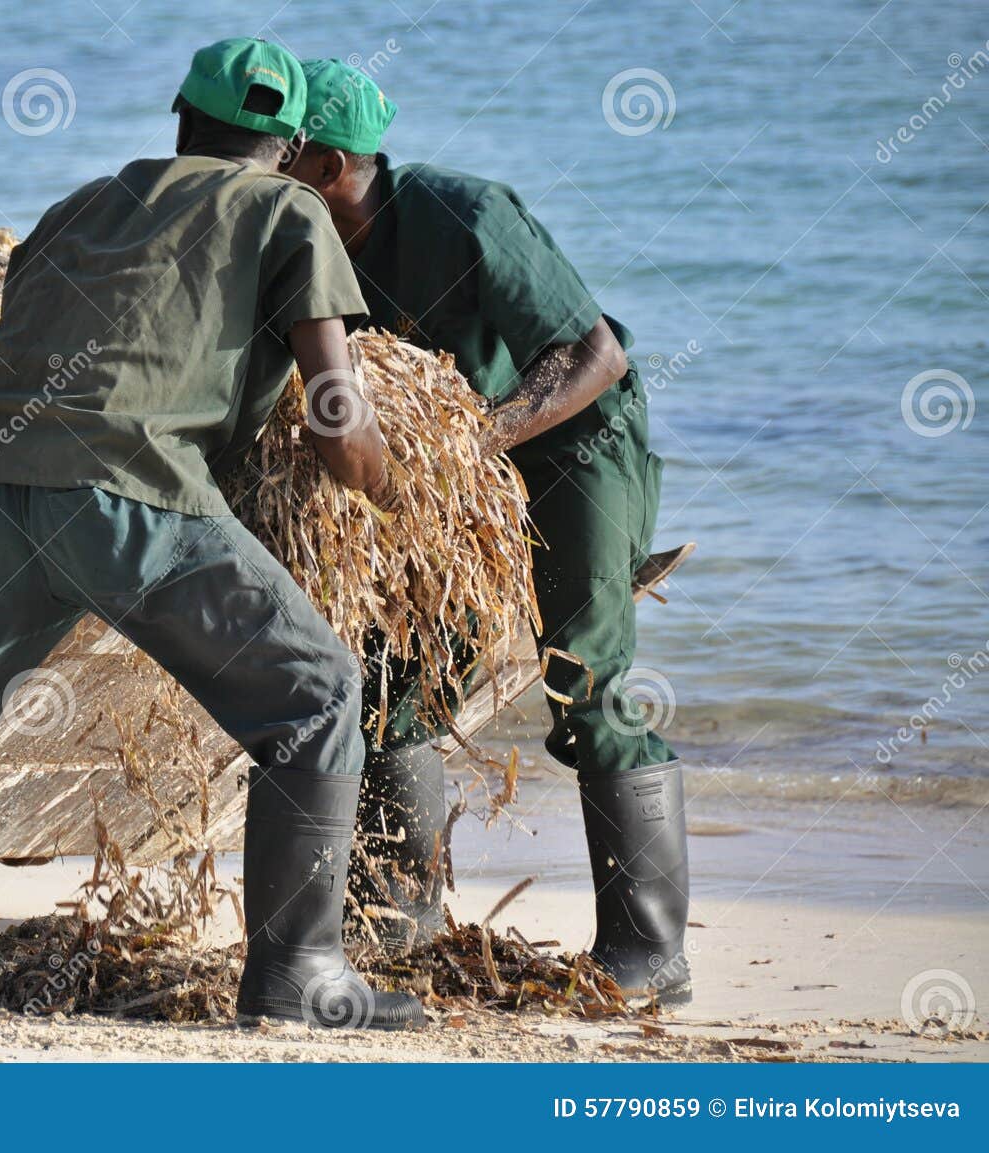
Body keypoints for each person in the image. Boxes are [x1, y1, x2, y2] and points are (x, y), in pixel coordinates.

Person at [0, 38, 424, 1029]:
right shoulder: (288, 207)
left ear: (181, 116)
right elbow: (337, 421)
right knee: (318, 693)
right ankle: (299, 972)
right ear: (291, 145)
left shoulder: (76, 207)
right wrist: (396, 503)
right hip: (132, 493)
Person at [284, 58, 692, 1002]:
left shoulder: (461, 213)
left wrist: (475, 443)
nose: (259, 165)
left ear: (330, 161)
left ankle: (649, 950)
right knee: (392, 672)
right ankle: (396, 920)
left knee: (585, 680)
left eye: (279, 152)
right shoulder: (301, 234)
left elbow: (595, 352)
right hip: (448, 467)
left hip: (571, 445)